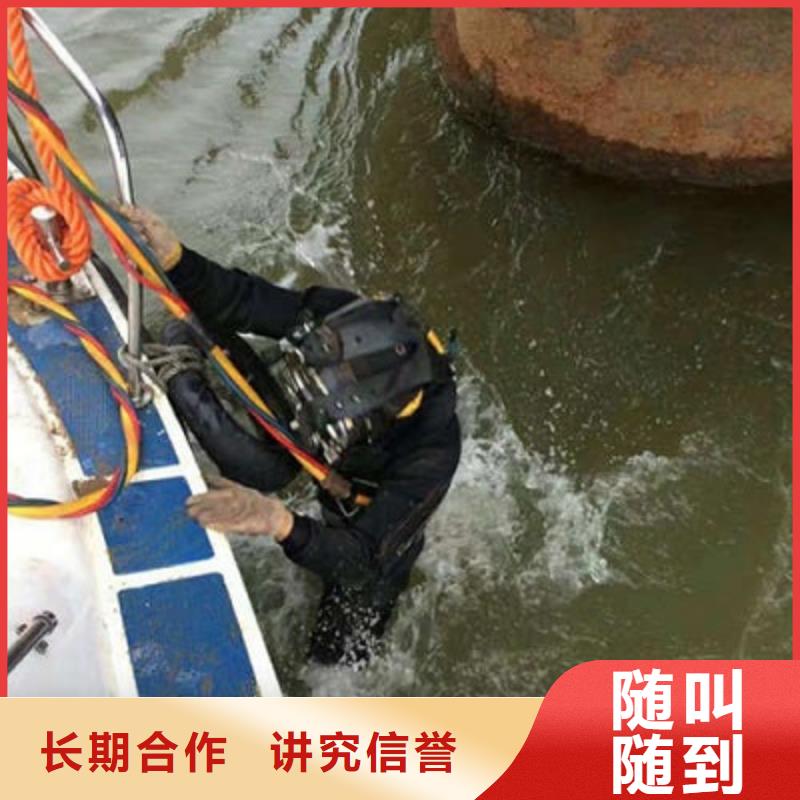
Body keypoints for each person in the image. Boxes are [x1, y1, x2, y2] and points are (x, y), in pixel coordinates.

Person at [122, 206, 461, 667]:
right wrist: (176, 257)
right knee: (275, 471)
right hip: (334, 472)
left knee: (335, 656)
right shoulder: (342, 317)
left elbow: (364, 555)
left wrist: (275, 520)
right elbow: (245, 300)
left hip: (370, 531)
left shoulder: (432, 452)